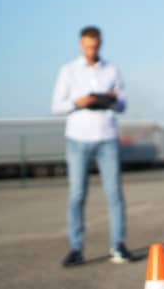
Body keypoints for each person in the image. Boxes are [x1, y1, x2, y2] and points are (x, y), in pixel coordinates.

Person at [51, 25, 131, 266]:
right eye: (87, 46)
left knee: (114, 193)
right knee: (77, 194)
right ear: (80, 44)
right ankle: (76, 249)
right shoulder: (68, 71)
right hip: (78, 138)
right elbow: (56, 106)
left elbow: (123, 105)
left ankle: (118, 245)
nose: (91, 49)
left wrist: (111, 99)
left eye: (95, 46)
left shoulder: (112, 70)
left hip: (107, 137)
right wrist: (79, 101)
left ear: (100, 44)